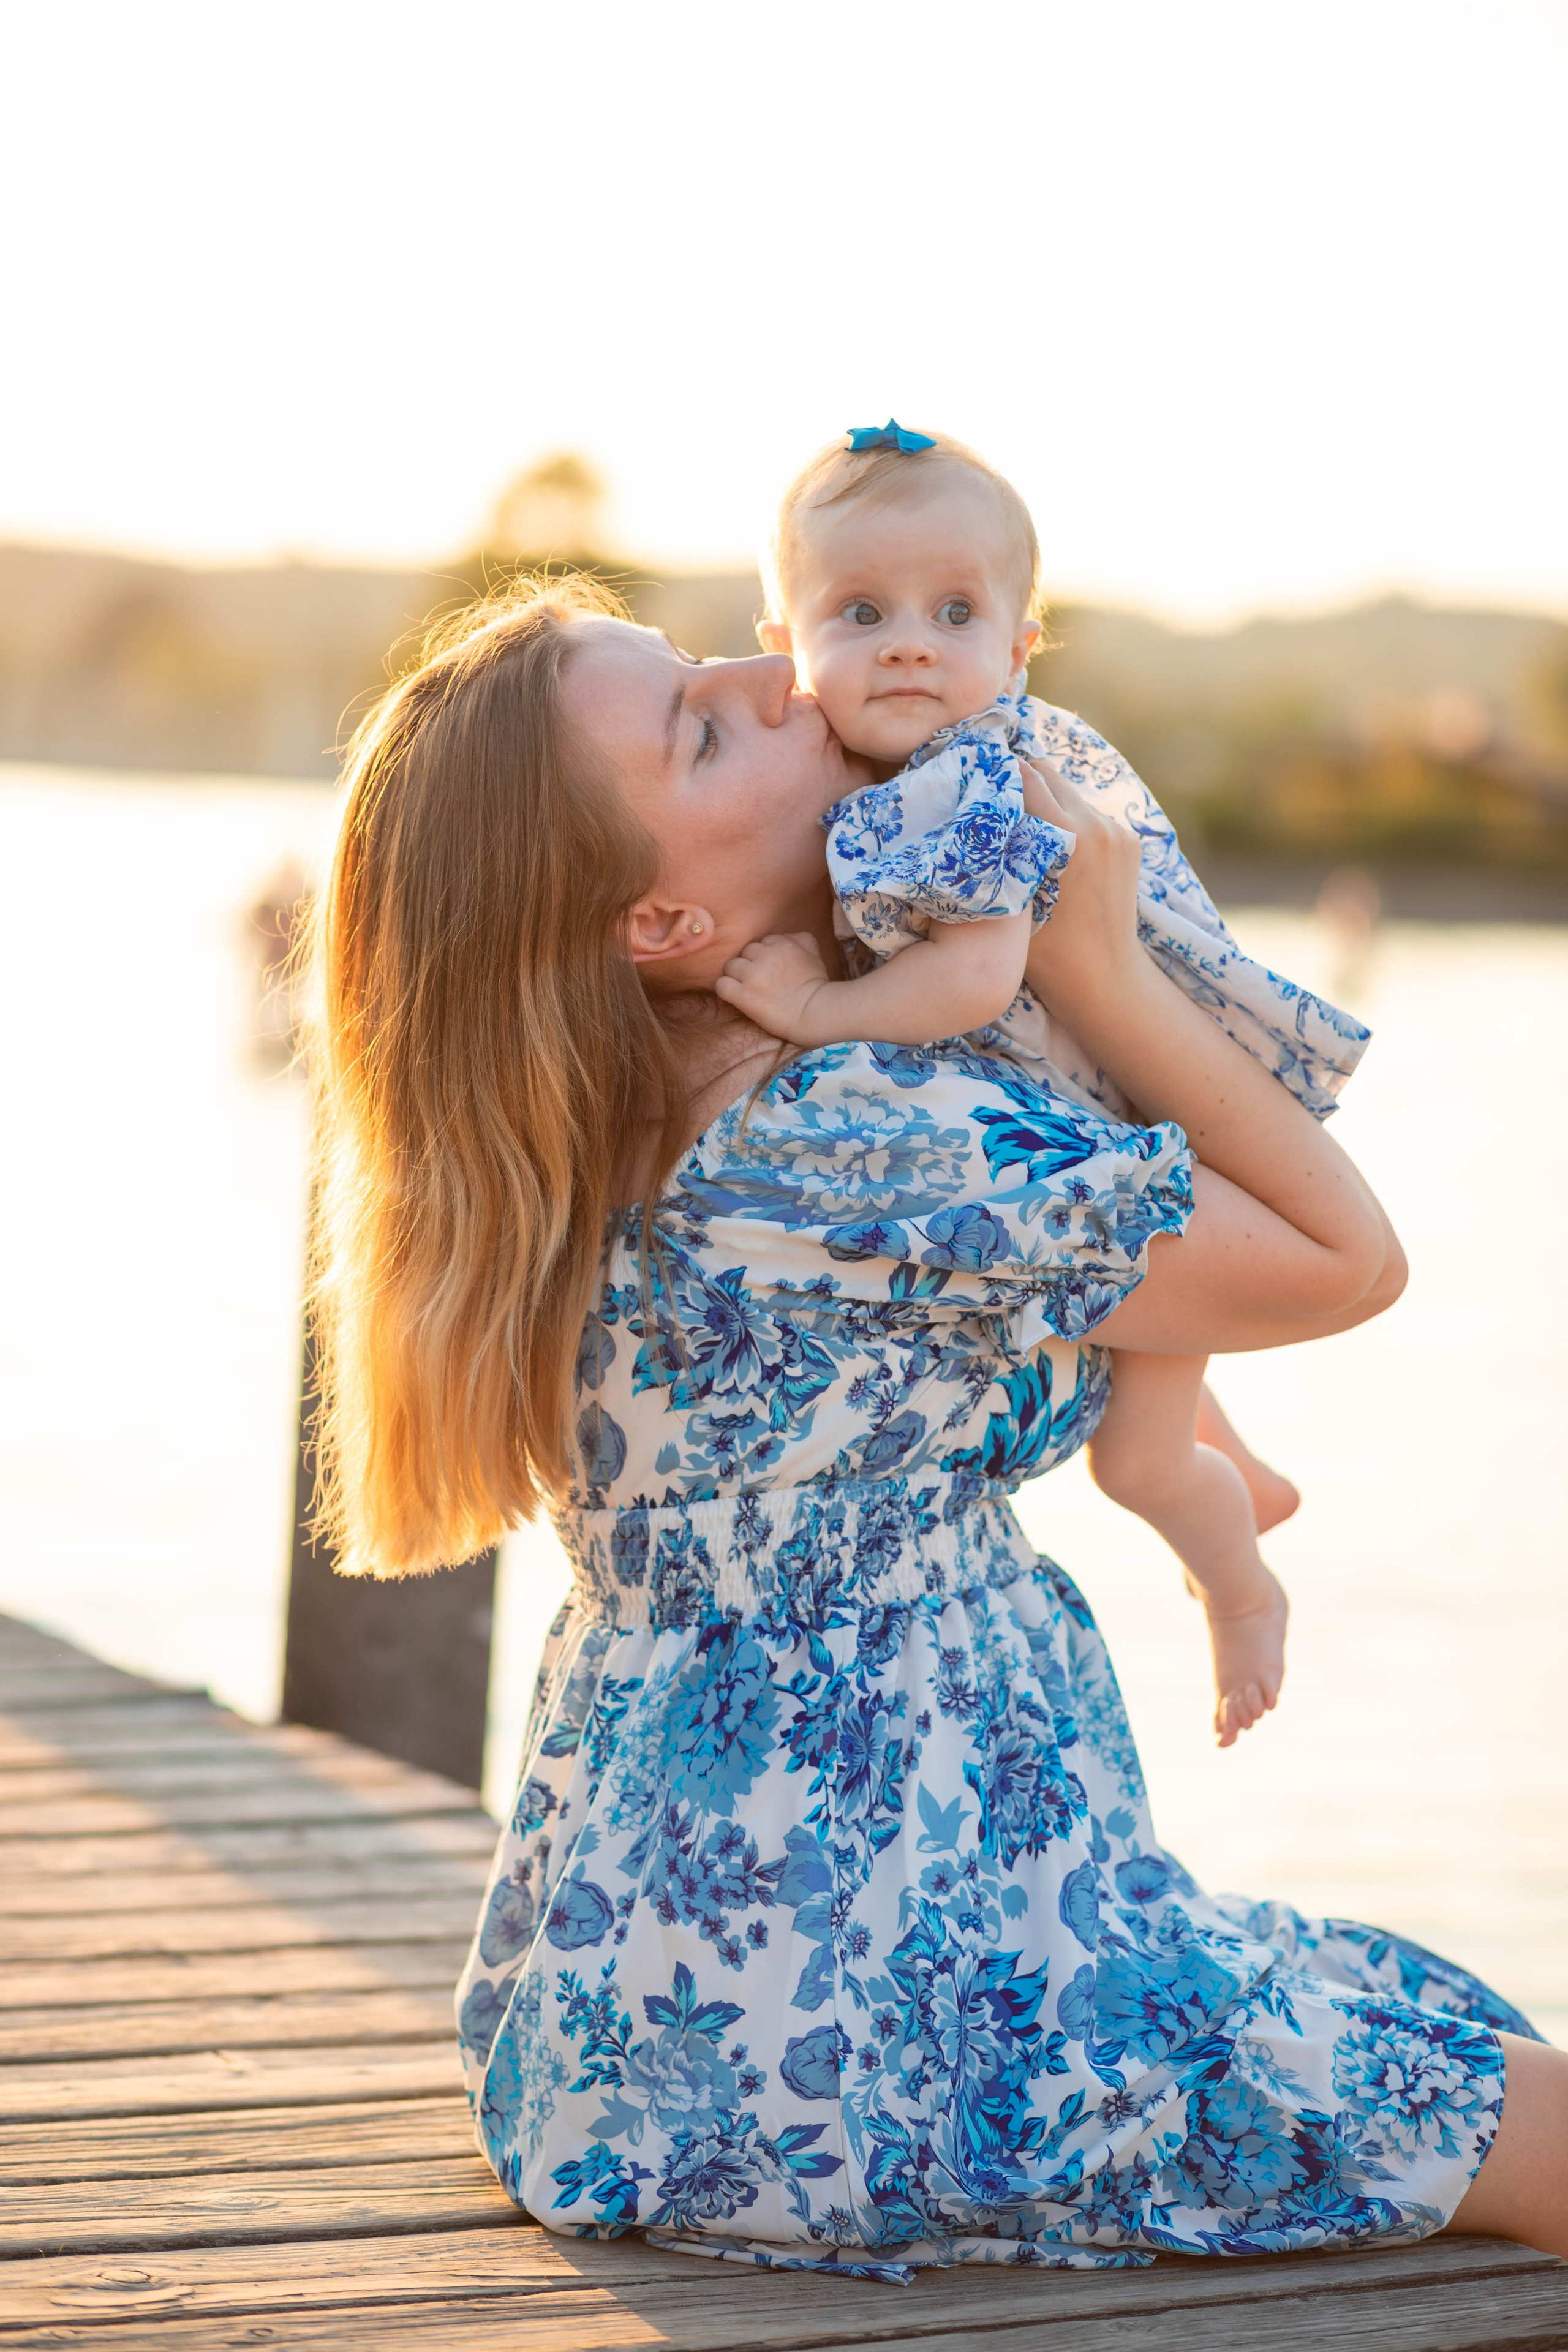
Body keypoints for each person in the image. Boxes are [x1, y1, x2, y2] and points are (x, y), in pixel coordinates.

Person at [307, 576, 1568, 2273]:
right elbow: (1348, 1262)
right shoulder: (844, 1134)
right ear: (660, 925)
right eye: (698, 727)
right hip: (891, 2030)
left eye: (706, 665)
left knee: (1420, 2005)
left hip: (652, 2038)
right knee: (1531, 2117)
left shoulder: (624, 1123)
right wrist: (1107, 972)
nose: (772, 675)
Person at [723, 423, 1360, 1746]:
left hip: (1122, 1141)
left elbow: (968, 984)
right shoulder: (912, 772)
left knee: (1134, 1460)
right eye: (859, 611)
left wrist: (811, 1007)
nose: (907, 642)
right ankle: (1237, 1472)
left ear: (1017, 645)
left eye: (952, 613)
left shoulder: (962, 779)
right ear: (782, 637)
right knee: (1152, 1378)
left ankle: (1236, 1581)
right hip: (1106, 1136)